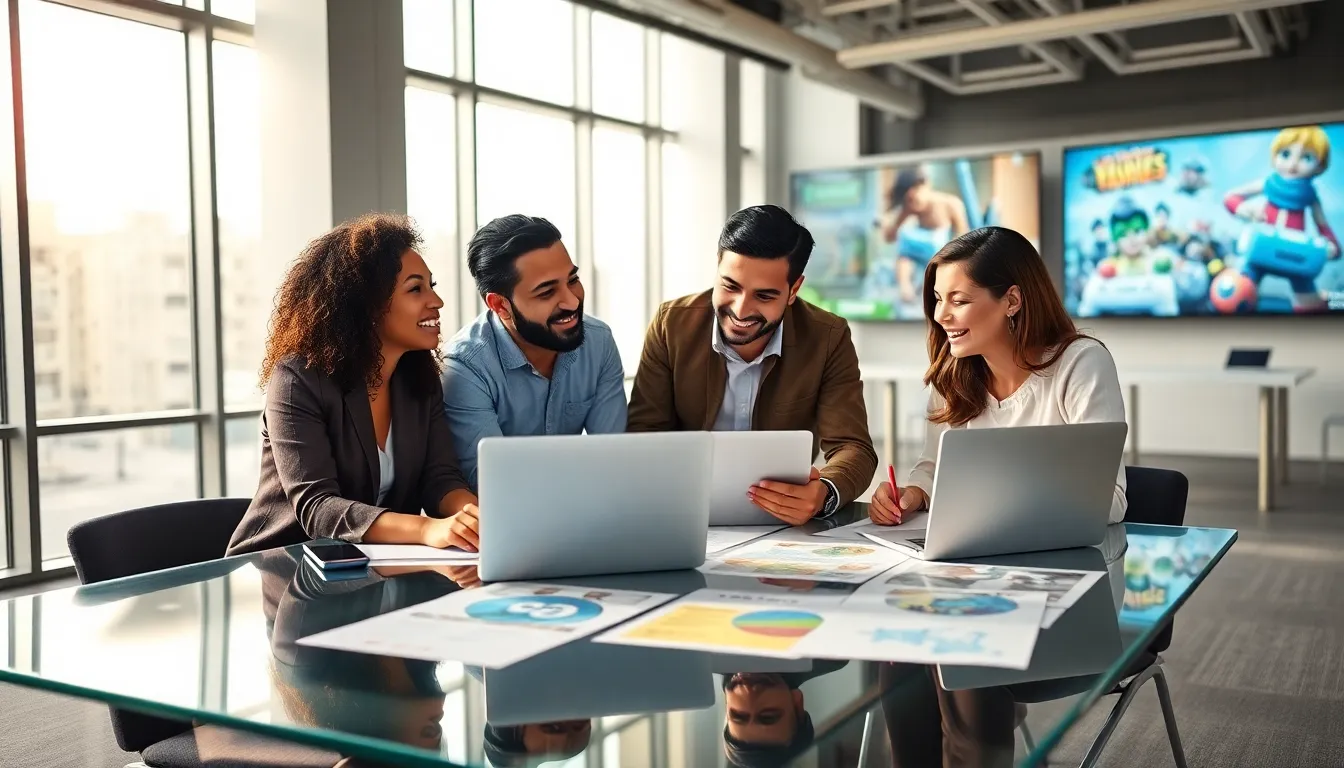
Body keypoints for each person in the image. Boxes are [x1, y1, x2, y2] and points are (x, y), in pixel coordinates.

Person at [227, 214, 481, 556]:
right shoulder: (297, 379)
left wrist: (476, 519)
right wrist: (427, 529)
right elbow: (318, 508)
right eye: (415, 288)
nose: (436, 302)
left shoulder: (417, 378)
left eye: (431, 287)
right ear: (368, 306)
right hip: (286, 568)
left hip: (372, 570)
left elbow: (440, 478)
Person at [628, 205, 878, 525]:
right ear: (717, 267)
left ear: (794, 290)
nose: (740, 310)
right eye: (730, 286)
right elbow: (643, 434)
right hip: (679, 512)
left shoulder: (828, 337)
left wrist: (824, 492)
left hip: (780, 522)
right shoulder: (671, 324)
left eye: (764, 296)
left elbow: (852, 447)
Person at [869, 226, 1127, 527]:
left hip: (1056, 561)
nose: (940, 315)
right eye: (939, 298)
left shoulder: (1081, 363)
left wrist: (1001, 509)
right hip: (971, 559)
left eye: (959, 300)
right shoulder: (953, 372)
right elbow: (932, 468)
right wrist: (912, 496)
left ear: (1012, 301)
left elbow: (1110, 499)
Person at [442, 214, 627, 490]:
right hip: (503, 525)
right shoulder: (464, 369)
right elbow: (496, 485)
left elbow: (616, 462)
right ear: (500, 305)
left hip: (584, 515)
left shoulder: (598, 341)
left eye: (572, 279)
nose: (572, 301)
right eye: (546, 292)